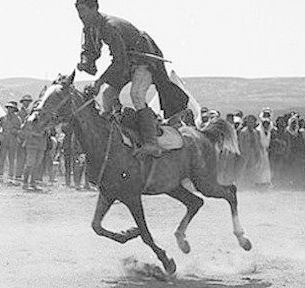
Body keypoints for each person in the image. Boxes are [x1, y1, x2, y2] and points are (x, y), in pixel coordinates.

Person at [75, 0, 188, 156]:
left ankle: (151, 143)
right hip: (127, 63)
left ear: (94, 8)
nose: (80, 15)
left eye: (83, 10)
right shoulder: (89, 28)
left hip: (144, 60)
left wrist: (100, 81)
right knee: (107, 96)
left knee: (137, 95)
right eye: (78, 11)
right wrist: (85, 62)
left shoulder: (110, 26)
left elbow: (119, 60)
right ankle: (113, 134)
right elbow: (89, 50)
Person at [0, 101, 22, 183]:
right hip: (4, 141)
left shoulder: (18, 119)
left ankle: (10, 177)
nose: (9, 110)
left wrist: (15, 131)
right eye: (8, 108)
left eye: (11, 108)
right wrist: (0, 136)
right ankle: (0, 176)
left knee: (11, 160)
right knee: (2, 159)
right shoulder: (3, 118)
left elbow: (20, 130)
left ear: (14, 110)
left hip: (13, 141)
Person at [20, 114, 47, 190]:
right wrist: (38, 135)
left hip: (41, 145)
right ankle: (25, 182)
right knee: (30, 163)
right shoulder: (30, 119)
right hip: (32, 144)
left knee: (37, 164)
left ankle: (33, 182)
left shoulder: (45, 119)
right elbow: (26, 131)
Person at [279, 114, 305, 189]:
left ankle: (297, 183)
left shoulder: (298, 133)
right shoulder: (286, 132)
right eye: (292, 122)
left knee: (296, 168)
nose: (294, 124)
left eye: (295, 122)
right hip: (289, 153)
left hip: (297, 154)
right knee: (289, 168)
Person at [237, 115, 262, 189]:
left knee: (252, 170)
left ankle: (250, 185)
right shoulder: (243, 132)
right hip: (244, 154)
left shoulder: (255, 132)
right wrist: (241, 154)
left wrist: (258, 154)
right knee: (242, 170)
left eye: (252, 122)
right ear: (247, 123)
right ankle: (240, 186)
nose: (251, 124)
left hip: (252, 153)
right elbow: (240, 144)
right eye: (249, 122)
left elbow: (257, 144)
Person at [15, 95, 33, 178]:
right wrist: (18, 136)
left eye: (29, 101)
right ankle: (18, 175)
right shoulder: (19, 113)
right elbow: (17, 126)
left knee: (27, 157)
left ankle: (24, 175)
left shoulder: (30, 113)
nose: (27, 103)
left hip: (28, 137)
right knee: (20, 157)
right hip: (21, 138)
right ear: (22, 102)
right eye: (25, 101)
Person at [255, 112, 274, 188]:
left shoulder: (269, 132)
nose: (266, 125)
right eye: (264, 123)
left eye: (267, 123)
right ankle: (258, 182)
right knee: (259, 166)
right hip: (260, 150)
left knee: (266, 167)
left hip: (266, 151)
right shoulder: (258, 131)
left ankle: (266, 181)